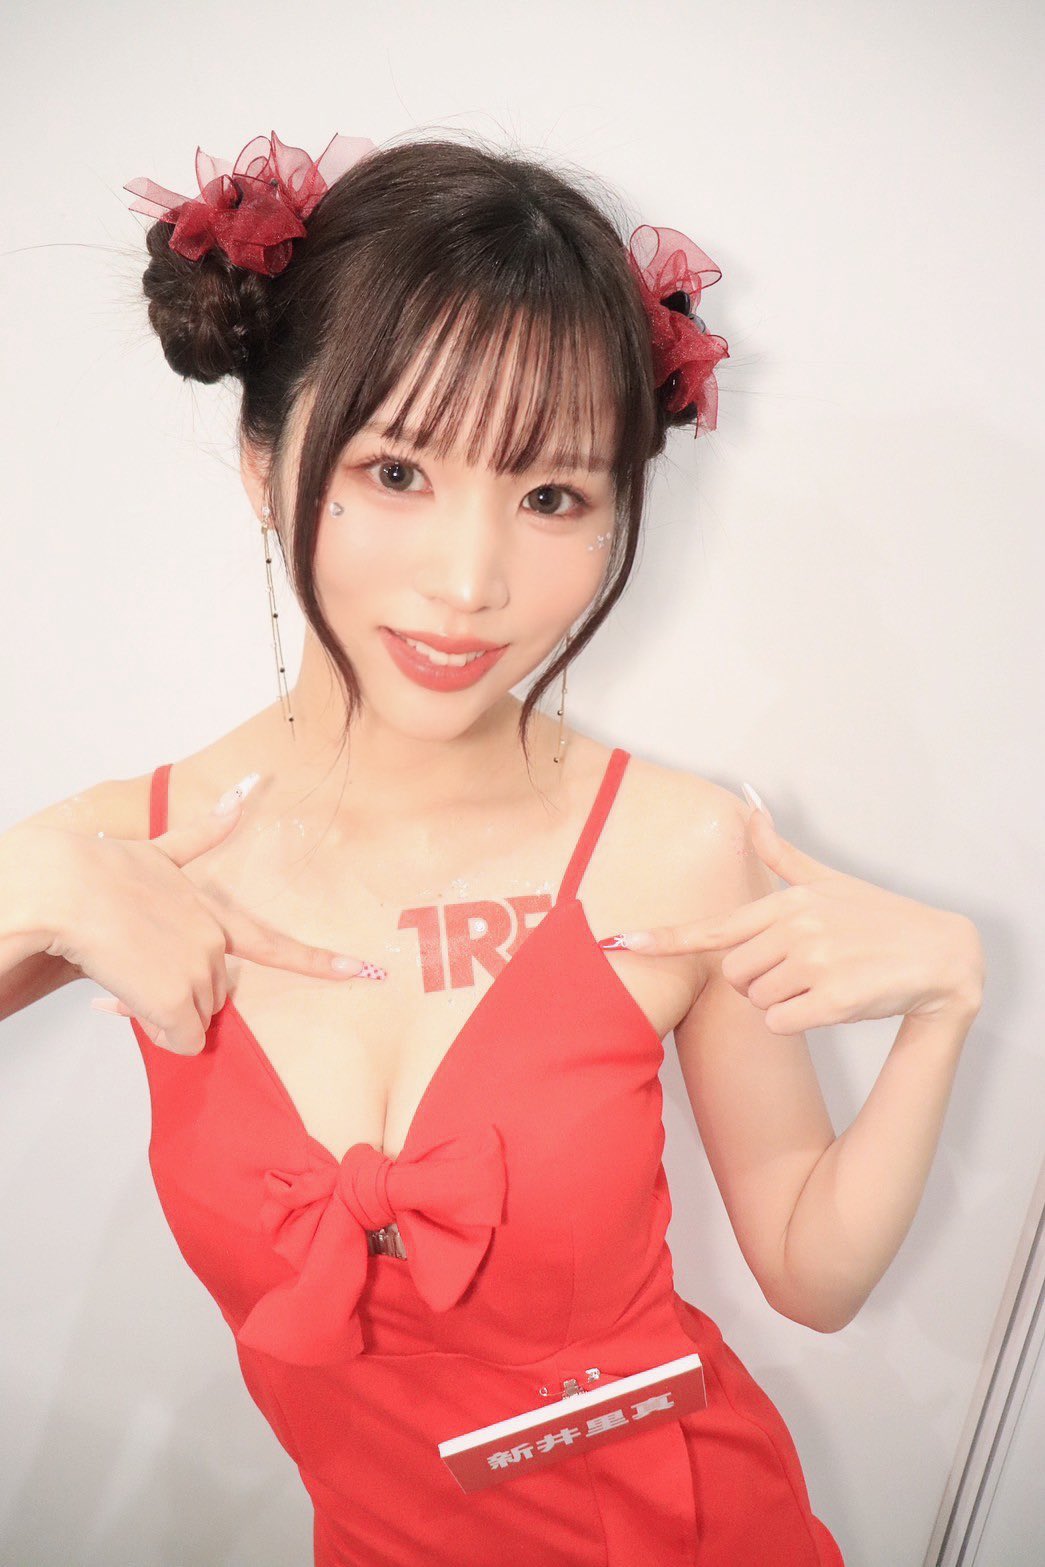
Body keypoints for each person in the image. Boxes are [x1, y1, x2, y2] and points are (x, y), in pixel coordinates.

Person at [0, 129, 984, 1566]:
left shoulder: (675, 844)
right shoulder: (124, 849)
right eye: (398, 469)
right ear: (264, 460)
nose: (471, 584)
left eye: (551, 498)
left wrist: (944, 1007)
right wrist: (32, 879)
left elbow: (810, 1274)